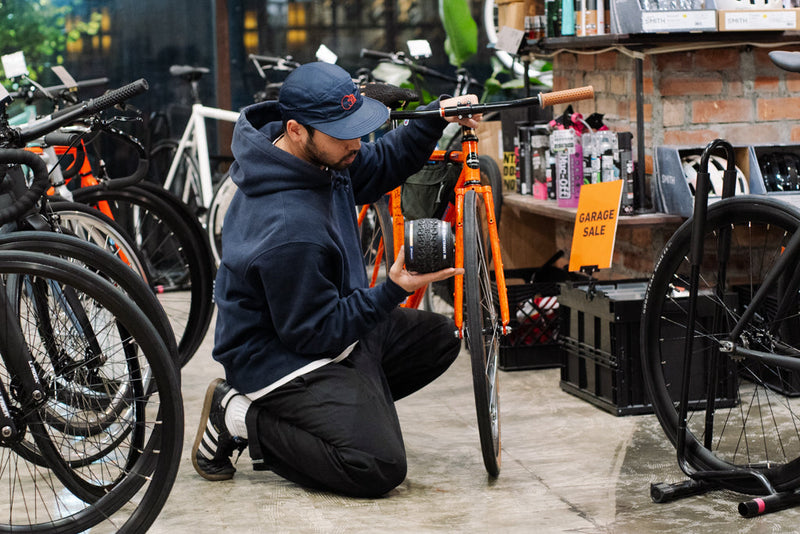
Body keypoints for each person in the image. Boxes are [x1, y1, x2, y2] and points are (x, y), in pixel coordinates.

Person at [192, 61, 482, 498]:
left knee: (438, 338)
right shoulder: (289, 228)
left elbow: (380, 163)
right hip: (283, 357)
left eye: (358, 127)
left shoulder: (320, 159)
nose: (357, 143)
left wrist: (433, 116)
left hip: (327, 324)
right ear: (296, 129)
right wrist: (392, 289)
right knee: (376, 464)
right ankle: (237, 415)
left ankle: (348, 411)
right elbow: (317, 333)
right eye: (343, 132)